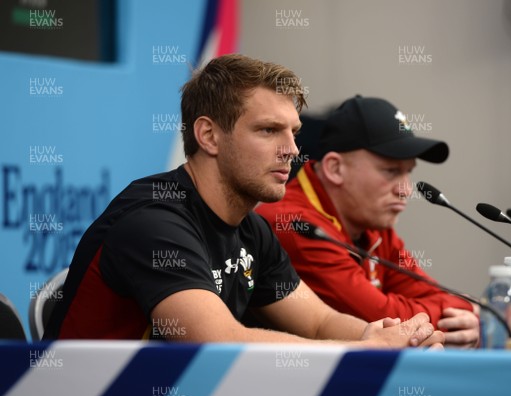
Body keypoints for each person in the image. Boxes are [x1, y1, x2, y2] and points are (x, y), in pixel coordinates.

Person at [43, 55, 443, 349]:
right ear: (209, 136)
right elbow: (218, 343)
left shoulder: (251, 229)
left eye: (294, 132)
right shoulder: (154, 221)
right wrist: (361, 350)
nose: (291, 150)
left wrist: (392, 337)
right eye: (269, 130)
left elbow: (320, 323)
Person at [256, 95, 480, 348]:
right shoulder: (296, 226)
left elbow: (433, 292)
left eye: (409, 172)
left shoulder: (372, 222)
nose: (406, 190)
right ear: (335, 169)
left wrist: (462, 308)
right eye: (391, 171)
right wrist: (460, 312)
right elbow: (380, 325)